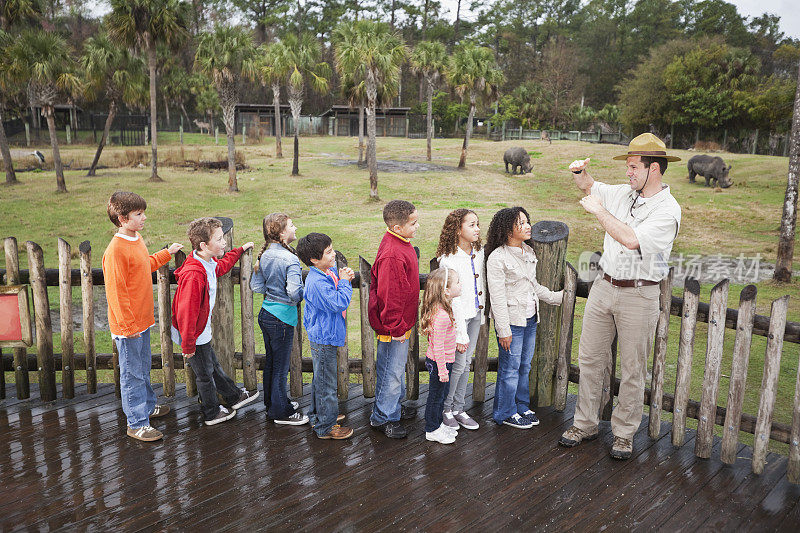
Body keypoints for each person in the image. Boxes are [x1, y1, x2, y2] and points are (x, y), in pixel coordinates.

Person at [559, 133, 681, 460]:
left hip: (639, 296)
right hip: (604, 286)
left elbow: (630, 239)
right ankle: (585, 424)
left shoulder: (667, 211)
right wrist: (578, 173)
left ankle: (624, 434)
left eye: (632, 167)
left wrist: (599, 212)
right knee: (589, 359)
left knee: (632, 368)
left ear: (653, 168)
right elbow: (589, 186)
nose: (627, 173)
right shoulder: (625, 193)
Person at [102, 191, 183, 442]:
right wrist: (127, 326)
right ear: (122, 218)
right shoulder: (115, 250)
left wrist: (166, 253)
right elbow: (116, 292)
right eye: (139, 214)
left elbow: (143, 265)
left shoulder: (136, 238)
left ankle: (146, 407)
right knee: (132, 374)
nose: (144, 218)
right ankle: (137, 422)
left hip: (142, 320)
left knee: (143, 368)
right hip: (129, 326)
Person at [171, 217, 259, 426]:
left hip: (200, 330)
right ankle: (211, 412)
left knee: (212, 365)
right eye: (219, 239)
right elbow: (187, 313)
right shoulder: (194, 275)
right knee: (204, 374)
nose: (224, 242)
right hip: (191, 333)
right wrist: (188, 344)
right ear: (204, 245)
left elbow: (221, 267)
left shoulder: (207, 262)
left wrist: (239, 250)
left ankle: (233, 397)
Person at [485, 207, 563, 429]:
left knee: (524, 366)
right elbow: (497, 297)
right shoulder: (497, 258)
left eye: (527, 221)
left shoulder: (528, 252)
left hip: (530, 319)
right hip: (511, 322)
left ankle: (521, 406)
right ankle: (504, 412)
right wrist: (503, 331)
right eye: (521, 223)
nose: (528, 226)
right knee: (509, 369)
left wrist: (558, 297)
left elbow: (532, 286)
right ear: (508, 228)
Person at [368, 200, 420, 438]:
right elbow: (390, 295)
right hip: (393, 327)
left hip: (401, 323)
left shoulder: (400, 242)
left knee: (395, 370)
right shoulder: (392, 254)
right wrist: (395, 327)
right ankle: (383, 417)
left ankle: (393, 407)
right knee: (391, 370)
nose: (417, 227)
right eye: (413, 223)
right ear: (397, 227)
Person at [296, 232, 355, 440]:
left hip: (324, 335)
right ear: (314, 260)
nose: (333, 254)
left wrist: (342, 277)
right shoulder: (317, 282)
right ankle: (326, 427)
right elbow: (338, 303)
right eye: (328, 252)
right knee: (327, 384)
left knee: (320, 379)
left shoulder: (324, 273)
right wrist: (346, 282)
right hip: (324, 337)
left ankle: (319, 414)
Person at [251, 213, 307, 425]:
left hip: (266, 314)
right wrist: (305, 293)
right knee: (281, 369)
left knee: (272, 364)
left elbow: (256, 286)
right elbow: (294, 293)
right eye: (292, 225)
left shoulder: (264, 255)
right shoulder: (290, 259)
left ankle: (274, 403)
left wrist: (273, 292)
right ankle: (281, 413)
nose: (295, 228)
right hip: (282, 318)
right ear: (282, 232)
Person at [436, 209, 484, 431]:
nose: (477, 229)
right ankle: (446, 408)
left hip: (475, 314)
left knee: (466, 364)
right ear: (457, 229)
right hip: (459, 319)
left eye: (477, 224)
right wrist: (461, 334)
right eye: (471, 225)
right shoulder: (448, 259)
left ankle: (458, 408)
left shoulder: (478, 250)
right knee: (458, 364)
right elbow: (451, 299)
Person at [420, 268, 462, 444]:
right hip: (440, 363)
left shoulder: (442, 309)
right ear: (446, 290)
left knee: (440, 395)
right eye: (458, 282)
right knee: (436, 397)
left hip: (443, 362)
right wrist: (443, 371)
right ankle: (432, 429)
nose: (461, 285)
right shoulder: (442, 316)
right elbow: (437, 346)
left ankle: (437, 424)